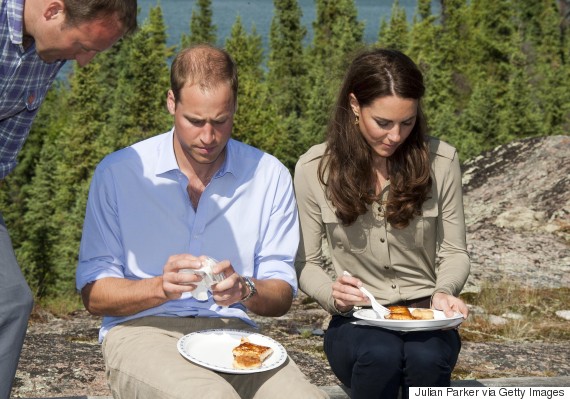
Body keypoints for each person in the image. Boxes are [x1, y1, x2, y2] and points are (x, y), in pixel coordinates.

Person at [76, 44, 327, 399]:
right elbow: (94, 294)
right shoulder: (120, 172)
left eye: (220, 121)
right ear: (171, 103)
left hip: (233, 333)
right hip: (141, 330)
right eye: (195, 121)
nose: (208, 137)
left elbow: (282, 293)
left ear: (235, 108)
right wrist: (159, 288)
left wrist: (245, 290)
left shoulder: (269, 175)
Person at [294, 48, 471, 399]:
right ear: (355, 105)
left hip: (426, 314)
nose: (395, 136)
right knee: (380, 355)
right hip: (356, 319)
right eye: (383, 123)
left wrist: (444, 291)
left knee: (427, 356)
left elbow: (455, 251)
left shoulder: (442, 161)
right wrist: (333, 295)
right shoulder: (313, 168)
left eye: (407, 122)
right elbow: (305, 264)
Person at [0, 1, 137, 397]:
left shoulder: (46, 49)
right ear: (52, 11)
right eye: (83, 47)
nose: (86, 62)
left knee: (10, 302)